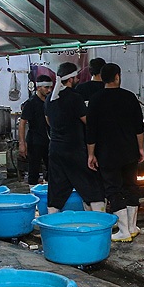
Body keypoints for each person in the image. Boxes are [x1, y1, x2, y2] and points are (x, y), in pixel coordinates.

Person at [86, 63, 144, 242]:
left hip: (107, 153)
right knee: (131, 186)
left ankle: (124, 231)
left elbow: (91, 131)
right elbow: (139, 127)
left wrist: (91, 154)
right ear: (117, 76)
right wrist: (140, 148)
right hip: (129, 151)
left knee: (113, 189)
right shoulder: (129, 97)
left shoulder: (96, 99)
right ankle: (132, 227)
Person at [45, 62, 105, 213]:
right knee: (92, 186)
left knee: (57, 189)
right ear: (71, 79)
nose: (78, 79)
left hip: (55, 150)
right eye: (76, 76)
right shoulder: (74, 98)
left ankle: (52, 221)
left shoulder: (50, 98)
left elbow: (48, 121)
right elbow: (88, 122)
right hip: (74, 150)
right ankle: (100, 221)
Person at [18, 75, 52, 185]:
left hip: (49, 140)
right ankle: (32, 191)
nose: (49, 90)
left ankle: (48, 190)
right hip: (35, 141)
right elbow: (22, 123)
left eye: (50, 87)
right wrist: (22, 143)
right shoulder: (31, 103)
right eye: (46, 87)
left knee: (52, 169)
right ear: (38, 87)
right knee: (34, 170)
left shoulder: (50, 101)